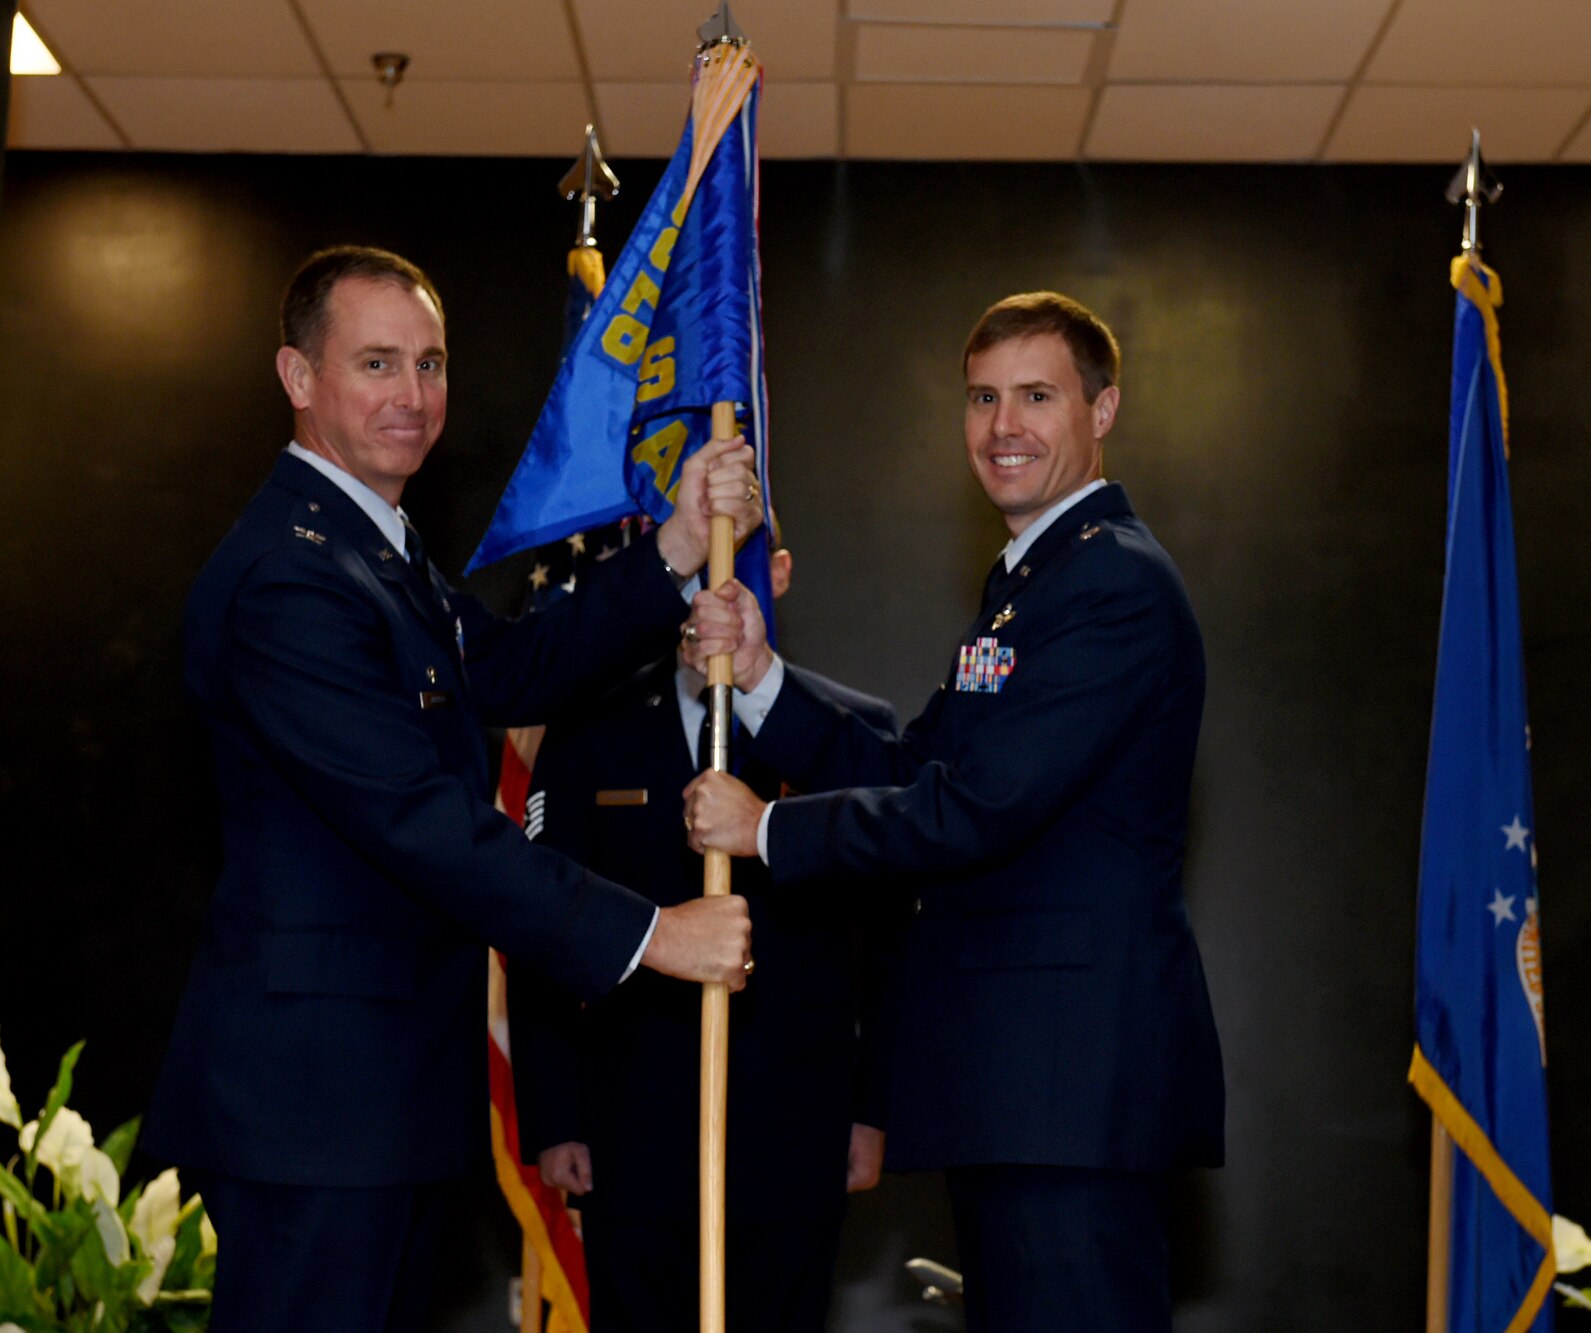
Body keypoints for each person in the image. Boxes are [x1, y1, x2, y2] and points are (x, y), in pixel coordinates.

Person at [143, 245, 762, 1331]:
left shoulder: (375, 553)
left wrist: (669, 546)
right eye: (376, 363)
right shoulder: (291, 576)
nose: (413, 396)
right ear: (297, 377)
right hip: (317, 1107)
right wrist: (650, 935)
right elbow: (420, 823)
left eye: (429, 365)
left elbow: (514, 669)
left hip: (382, 1097)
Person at [682, 292, 1224, 1331]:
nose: (1001, 425)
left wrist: (763, 831)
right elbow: (912, 760)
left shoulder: (1111, 586)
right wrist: (756, 678)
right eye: (982, 396)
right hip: (1021, 1090)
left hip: (1066, 1093)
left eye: (1035, 395)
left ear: (1101, 411)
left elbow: (972, 808)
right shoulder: (1030, 584)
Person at [506, 525, 904, 1333]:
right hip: (632, 1130)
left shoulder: (851, 733)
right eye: (695, 572)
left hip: (796, 1129)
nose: (709, 595)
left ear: (780, 576)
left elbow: (892, 940)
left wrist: (875, 1107)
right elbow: (541, 926)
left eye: (742, 567)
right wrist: (555, 1116)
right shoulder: (589, 734)